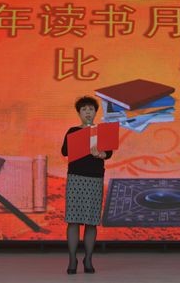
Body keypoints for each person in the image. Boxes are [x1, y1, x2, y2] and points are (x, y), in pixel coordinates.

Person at [61, 96, 112, 274]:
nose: (88, 112)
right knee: (73, 220)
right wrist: (81, 141)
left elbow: (108, 153)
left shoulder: (102, 131)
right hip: (76, 178)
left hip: (95, 179)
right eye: (84, 109)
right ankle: (72, 259)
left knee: (91, 222)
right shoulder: (73, 131)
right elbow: (64, 151)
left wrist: (101, 154)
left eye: (91, 109)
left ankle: (88, 259)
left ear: (95, 112)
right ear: (79, 113)